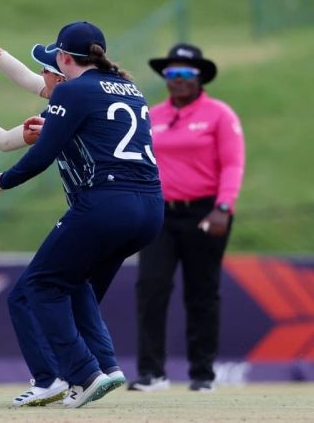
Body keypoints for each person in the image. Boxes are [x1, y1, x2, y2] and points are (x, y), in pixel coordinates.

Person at [0, 4, 128, 407]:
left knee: (31, 292)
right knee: (73, 287)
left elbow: (12, 144)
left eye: (47, 68)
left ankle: (57, 378)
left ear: (63, 69)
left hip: (99, 207)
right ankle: (105, 365)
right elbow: (24, 83)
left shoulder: (71, 98)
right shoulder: (108, 91)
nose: (38, 77)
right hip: (139, 208)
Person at [0, 21, 164, 409]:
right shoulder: (131, 89)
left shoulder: (73, 89)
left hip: (106, 203)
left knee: (40, 287)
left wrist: (4, 179)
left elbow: (42, 155)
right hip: (150, 208)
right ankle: (106, 365)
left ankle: (83, 373)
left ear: (64, 58)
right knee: (75, 283)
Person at [128, 43, 245, 393]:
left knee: (202, 291)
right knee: (150, 286)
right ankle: (152, 373)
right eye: (171, 73)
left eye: (185, 74)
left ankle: (203, 373)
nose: (177, 80)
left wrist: (224, 207)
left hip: (206, 212)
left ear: (199, 78)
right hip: (159, 213)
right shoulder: (153, 115)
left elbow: (233, 163)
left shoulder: (219, 115)